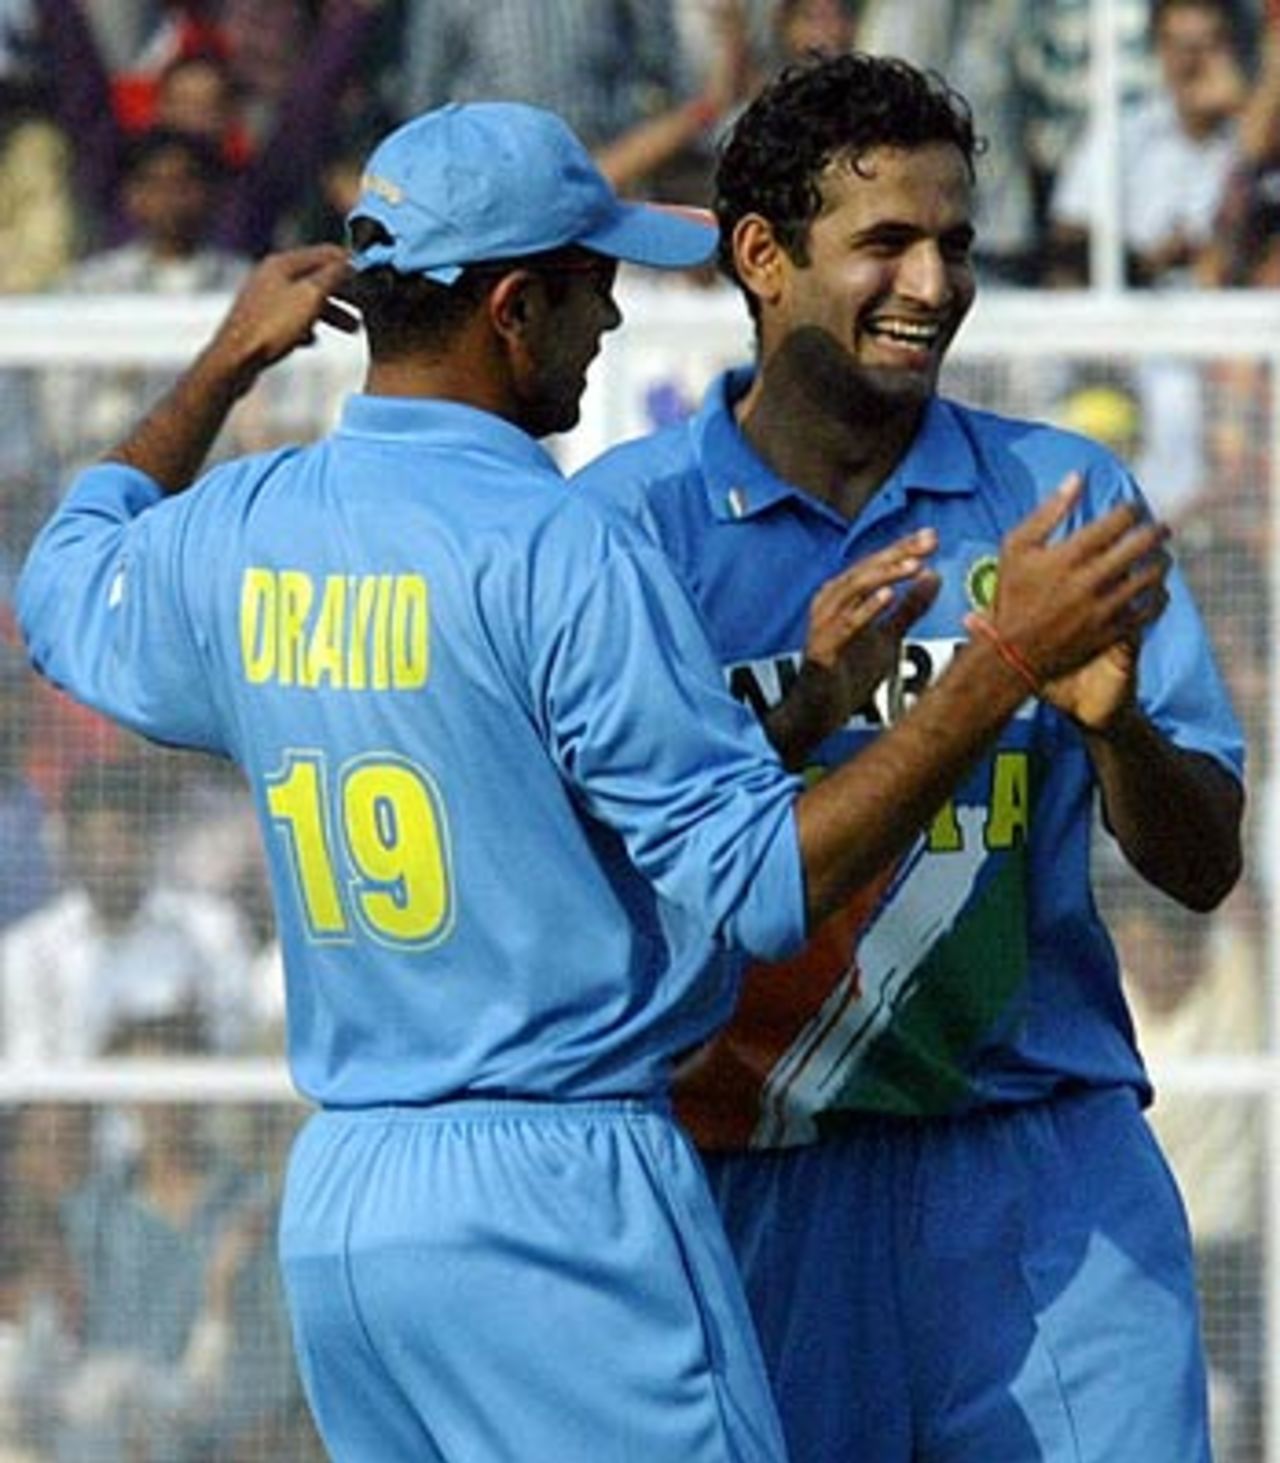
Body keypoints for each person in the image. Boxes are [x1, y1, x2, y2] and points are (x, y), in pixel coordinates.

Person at [16, 99, 1171, 1461]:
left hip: (350, 1211)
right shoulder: (563, 547)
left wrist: (218, 369)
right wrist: (998, 666)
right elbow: (759, 889)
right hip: (560, 1195)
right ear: (514, 309)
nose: (611, 323)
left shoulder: (251, 529)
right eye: (591, 285)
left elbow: (60, 585)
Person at [575, 53, 1245, 1463]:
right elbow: (606, 892)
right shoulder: (623, 535)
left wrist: (1113, 723)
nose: (934, 284)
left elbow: (1200, 866)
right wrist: (801, 719)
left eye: (956, 243)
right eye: (886, 241)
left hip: (1045, 1171)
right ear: (761, 258)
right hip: (758, 1179)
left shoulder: (1059, 497)